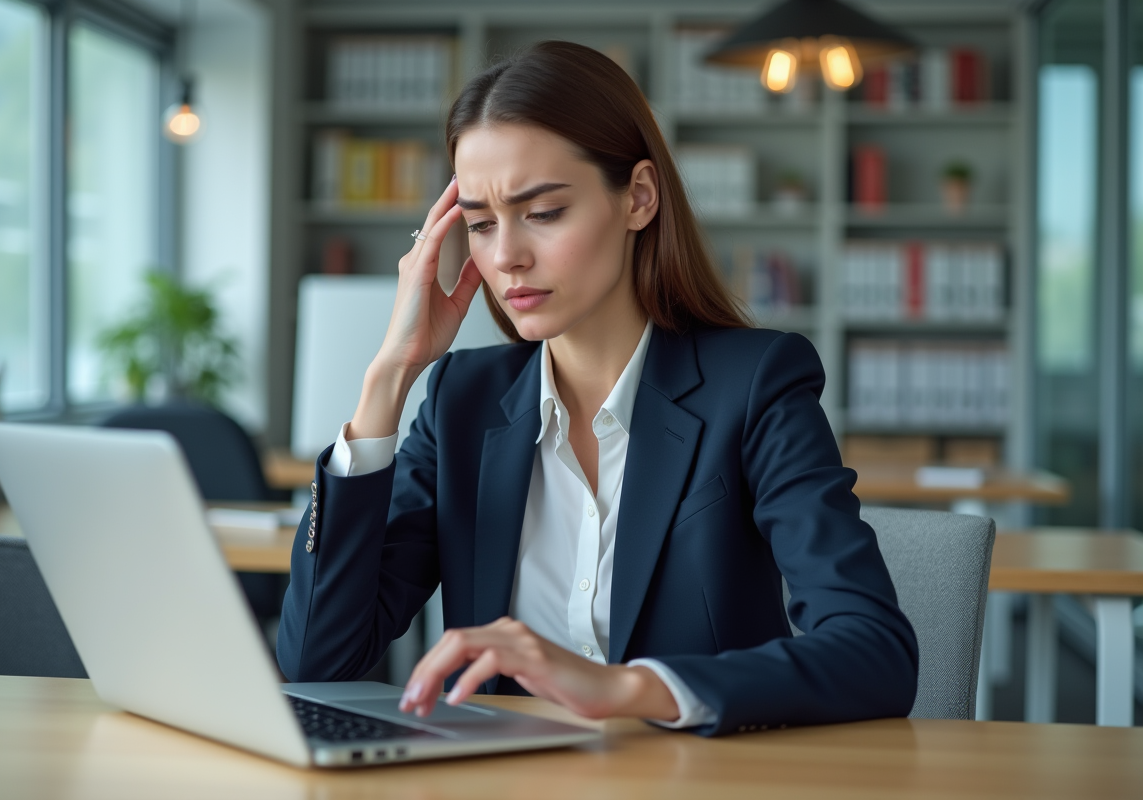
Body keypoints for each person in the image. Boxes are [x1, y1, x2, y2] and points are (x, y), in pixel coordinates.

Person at [277, 40, 917, 736]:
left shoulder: (756, 384)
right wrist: (388, 380)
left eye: (543, 212)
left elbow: (874, 652)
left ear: (638, 197)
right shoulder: (462, 401)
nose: (506, 256)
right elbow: (317, 663)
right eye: (483, 224)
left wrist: (627, 688)